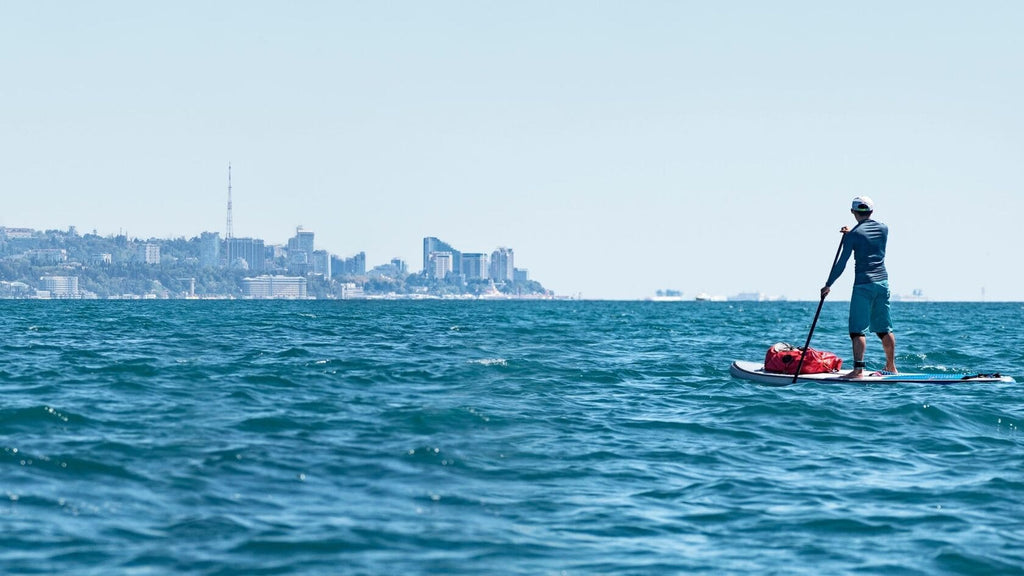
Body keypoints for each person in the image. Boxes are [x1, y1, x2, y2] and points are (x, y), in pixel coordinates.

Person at [820, 196, 897, 378]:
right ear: (872, 211)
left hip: (863, 285)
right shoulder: (884, 229)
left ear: (853, 212)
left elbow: (841, 264)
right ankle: (891, 367)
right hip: (883, 283)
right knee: (884, 329)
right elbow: (867, 236)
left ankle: (858, 371)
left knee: (857, 330)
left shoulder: (853, 235)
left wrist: (828, 285)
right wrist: (851, 233)